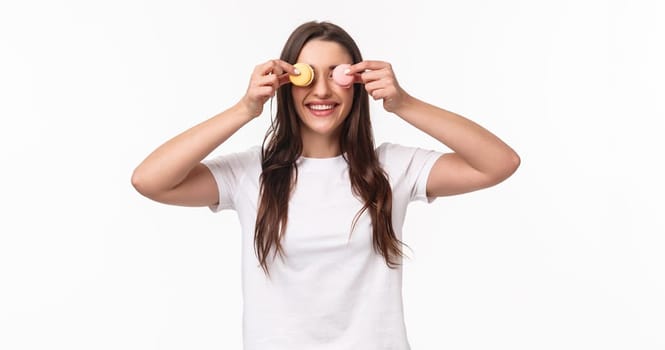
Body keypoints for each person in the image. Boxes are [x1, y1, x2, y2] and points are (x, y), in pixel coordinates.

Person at [131, 20, 519, 349]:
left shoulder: (393, 168)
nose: (320, 91)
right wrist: (244, 109)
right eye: (306, 75)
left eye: (337, 74)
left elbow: (499, 163)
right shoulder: (252, 173)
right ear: (286, 83)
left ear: (357, 82)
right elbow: (150, 181)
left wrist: (403, 103)